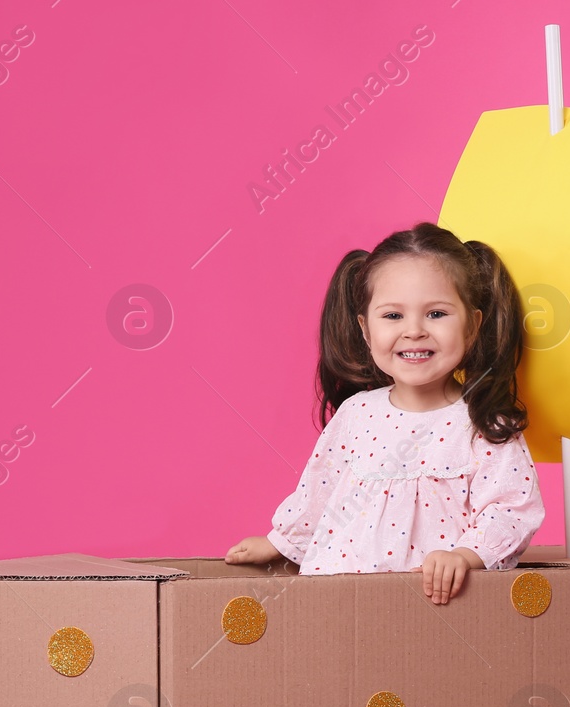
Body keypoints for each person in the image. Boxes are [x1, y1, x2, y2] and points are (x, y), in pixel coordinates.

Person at [226, 222, 544, 604]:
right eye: (393, 316)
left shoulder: (484, 424)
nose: (414, 331)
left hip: (434, 603)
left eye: (437, 314)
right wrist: (282, 541)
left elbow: (511, 508)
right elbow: (319, 489)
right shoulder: (357, 413)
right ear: (365, 328)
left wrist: (465, 555)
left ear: (473, 325)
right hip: (338, 594)